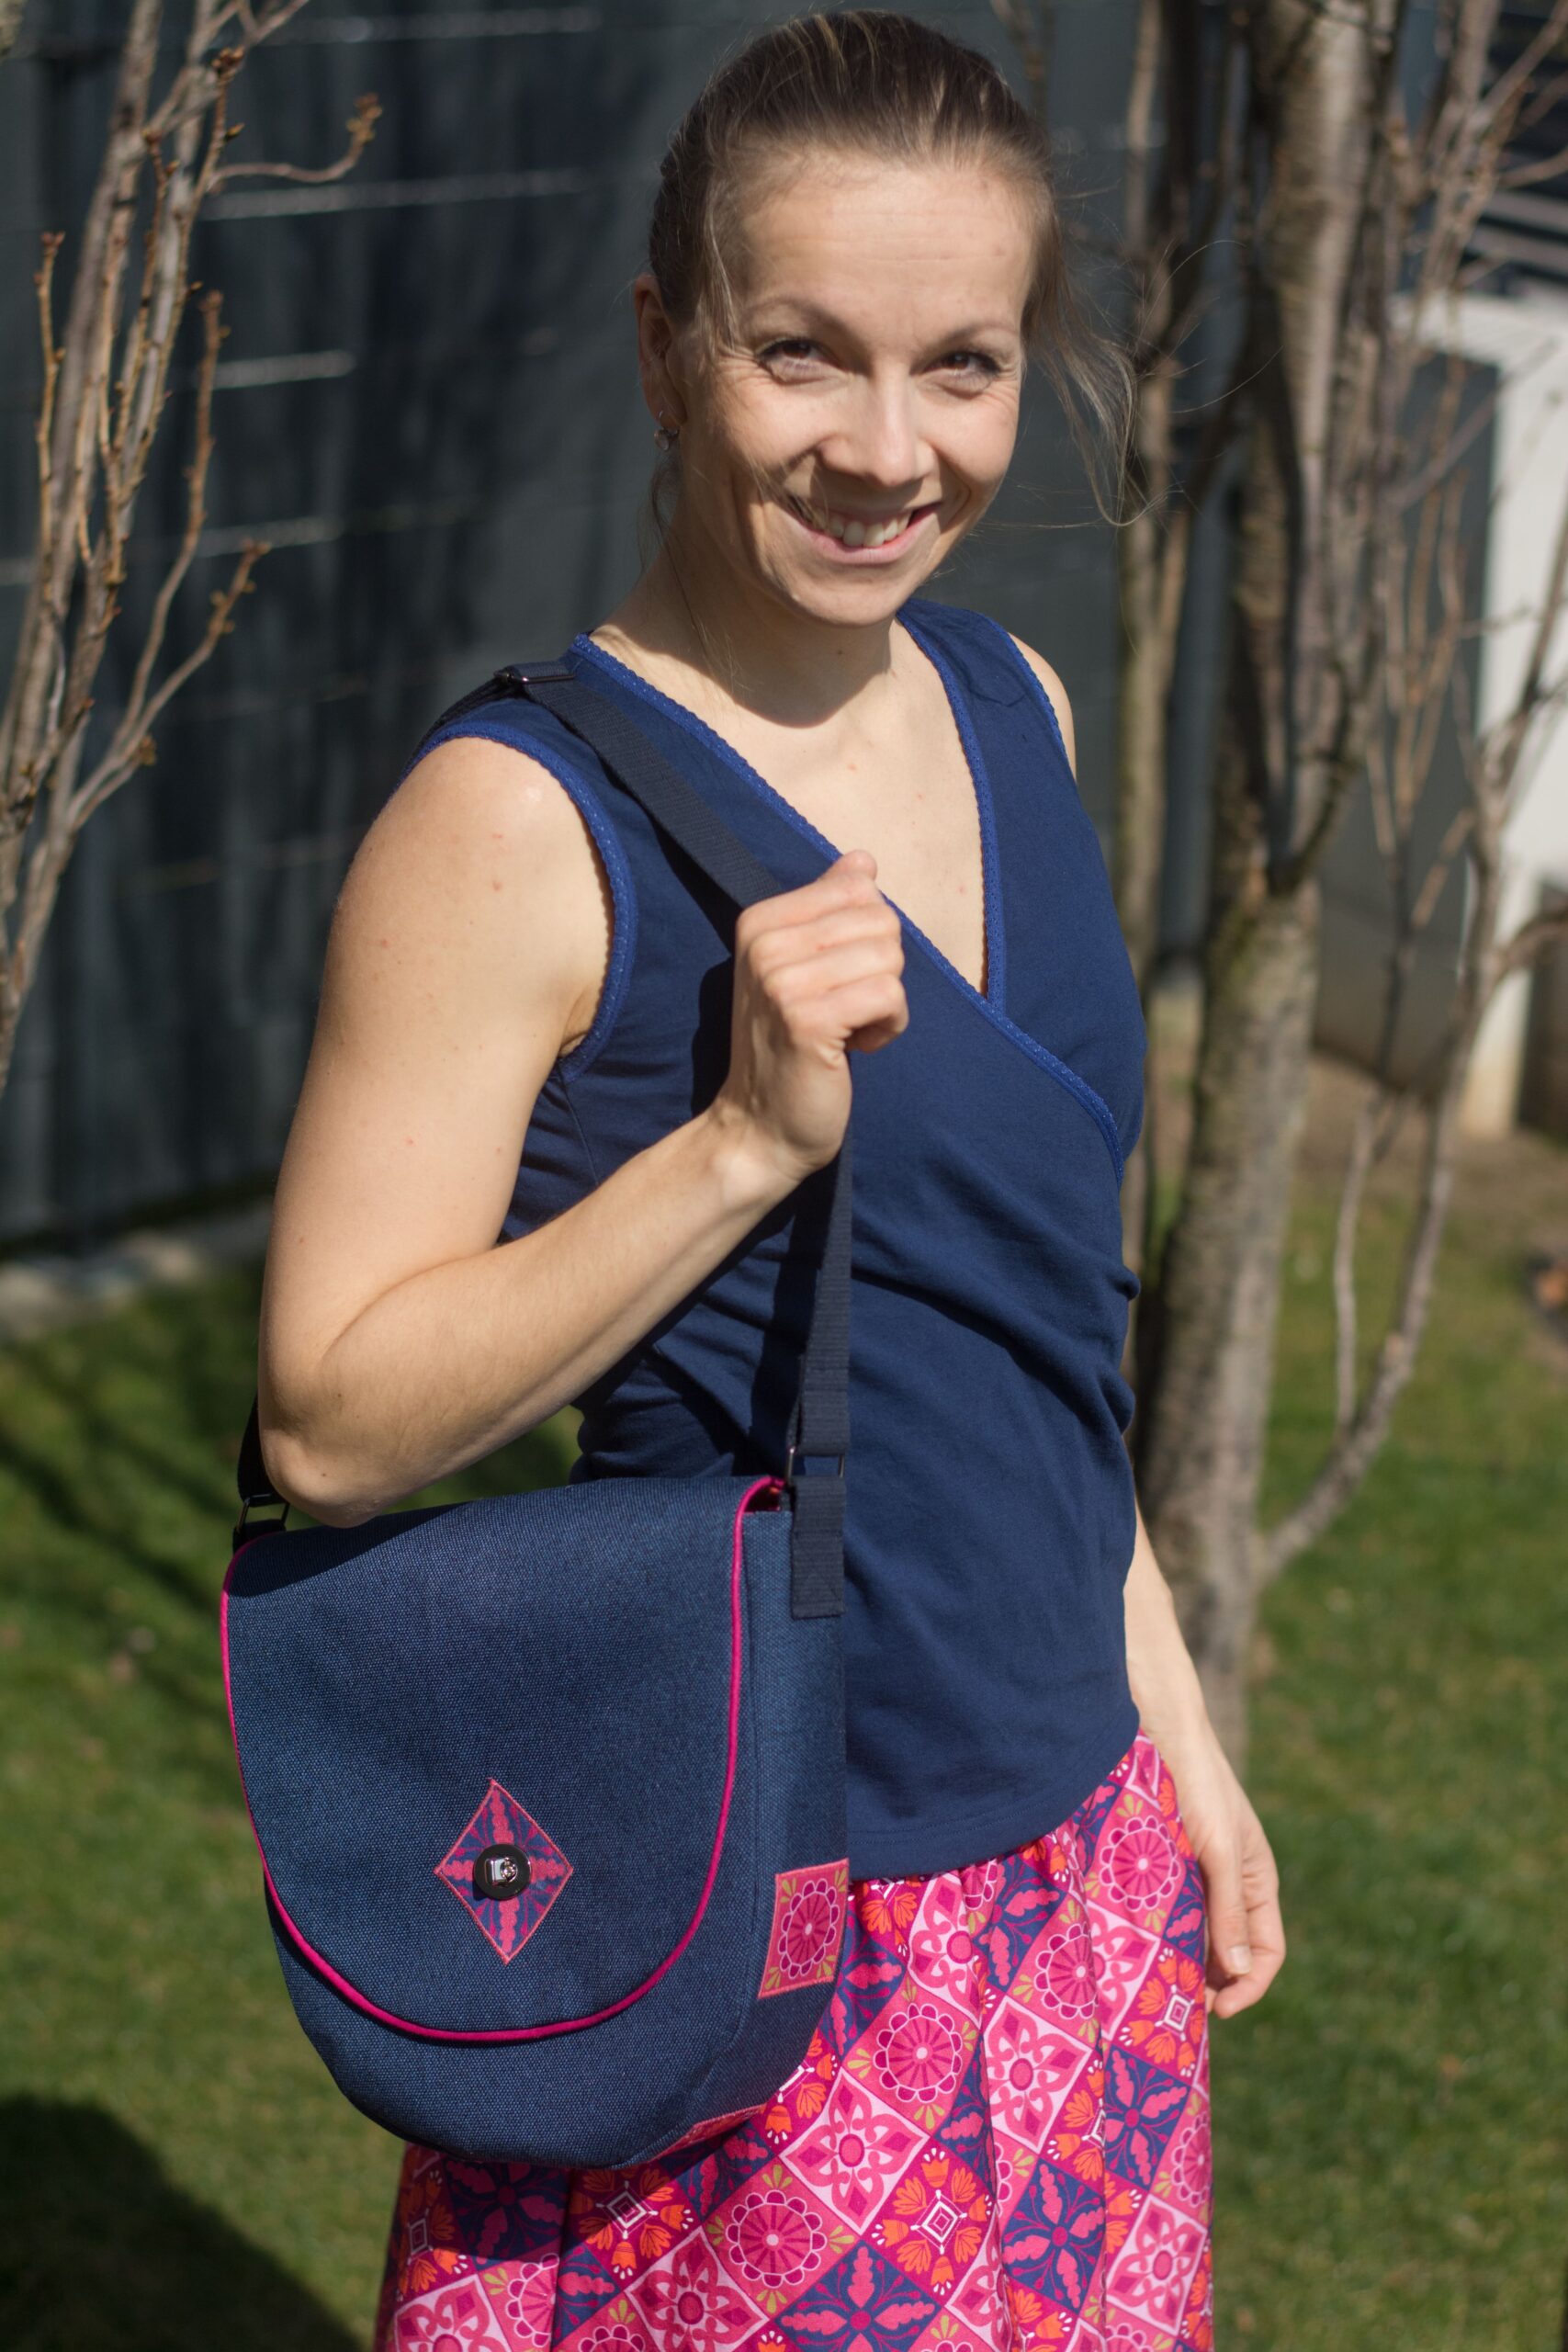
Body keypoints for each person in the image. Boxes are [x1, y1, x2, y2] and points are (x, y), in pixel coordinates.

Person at [256, 15, 1285, 2348]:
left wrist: (1173, 1736)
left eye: (961, 364)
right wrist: (733, 1147)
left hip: (1070, 1876)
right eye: (798, 351)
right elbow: (325, 1422)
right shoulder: (517, 823)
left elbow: (1041, 1332)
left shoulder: (1015, 707)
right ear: (664, 346)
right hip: (750, 1912)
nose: (885, 450)